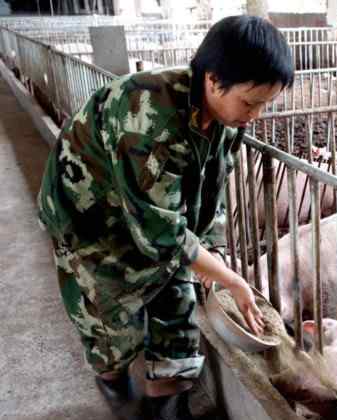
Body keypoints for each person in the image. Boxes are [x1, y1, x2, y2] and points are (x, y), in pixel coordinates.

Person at [36, 15, 294, 420]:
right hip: (91, 219)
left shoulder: (227, 119)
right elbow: (163, 237)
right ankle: (115, 385)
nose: (256, 115)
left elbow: (213, 191)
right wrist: (231, 280)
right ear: (213, 79)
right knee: (109, 319)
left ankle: (166, 406)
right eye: (250, 102)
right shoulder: (148, 116)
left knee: (177, 309)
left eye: (265, 104)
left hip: (154, 214)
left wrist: (213, 251)